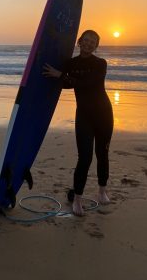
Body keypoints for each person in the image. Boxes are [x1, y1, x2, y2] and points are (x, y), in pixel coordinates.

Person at [43, 30, 113, 216]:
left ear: (96, 46)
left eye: (93, 42)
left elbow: (87, 83)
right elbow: (65, 84)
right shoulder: (71, 64)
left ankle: (102, 191)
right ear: (79, 42)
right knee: (84, 158)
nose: (89, 44)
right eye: (86, 40)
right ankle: (78, 199)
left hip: (104, 115)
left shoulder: (100, 64)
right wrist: (52, 76)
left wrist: (61, 75)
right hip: (84, 116)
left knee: (102, 153)